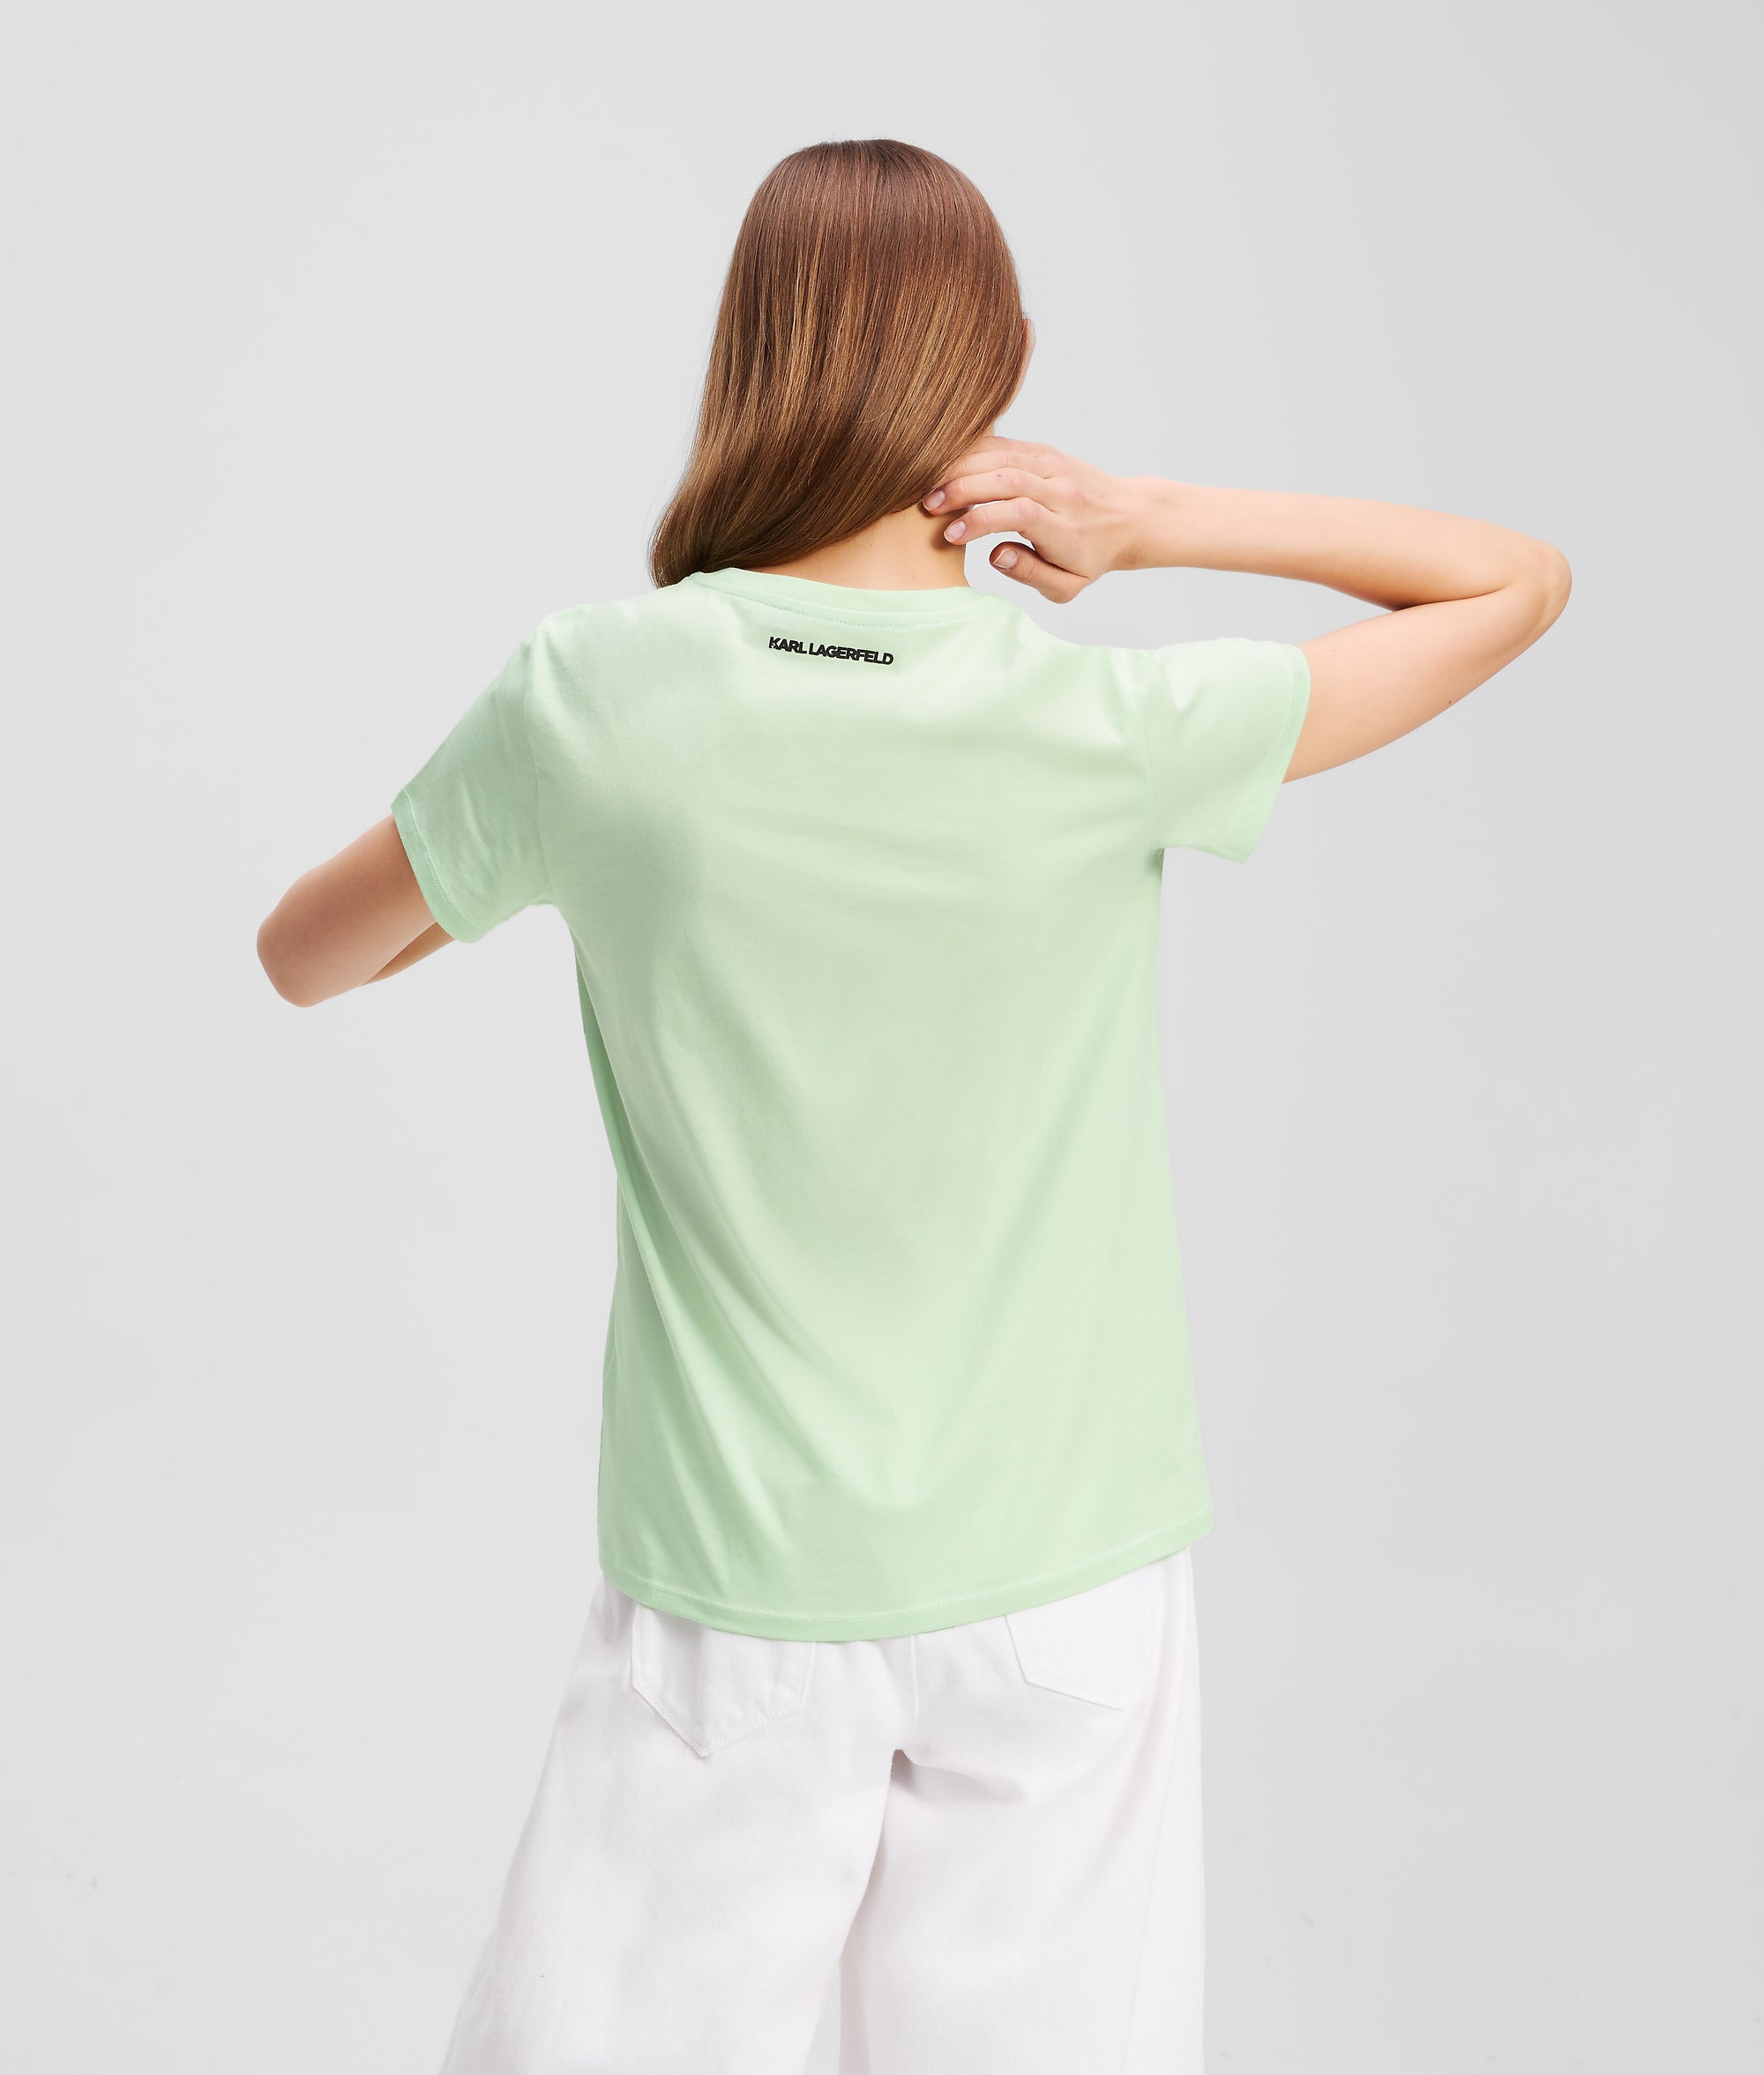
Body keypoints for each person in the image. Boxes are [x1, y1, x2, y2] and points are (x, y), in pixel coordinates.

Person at [256, 138, 1570, 2075]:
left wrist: (521, 851)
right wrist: (1150, 519)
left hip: (738, 1596)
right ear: (991, 369)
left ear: (752, 354)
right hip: (1068, 1583)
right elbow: (1515, 581)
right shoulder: (1104, 724)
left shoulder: (595, 701)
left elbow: (304, 955)